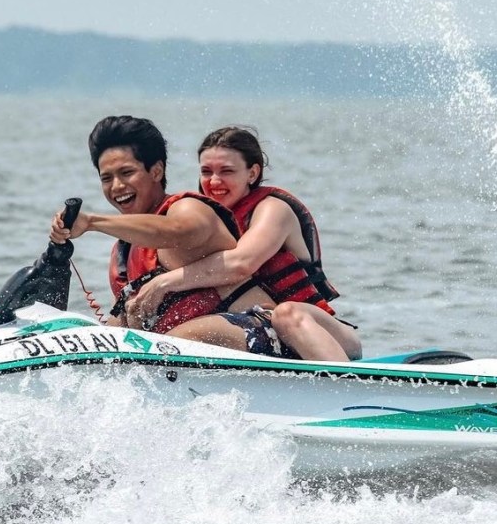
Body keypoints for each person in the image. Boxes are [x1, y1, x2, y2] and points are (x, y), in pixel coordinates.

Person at [127, 126, 362, 361]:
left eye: (226, 171)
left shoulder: (273, 209)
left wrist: (164, 283)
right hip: (267, 333)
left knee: (285, 312)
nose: (214, 181)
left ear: (252, 173)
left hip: (321, 332)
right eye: (206, 171)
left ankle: (350, 390)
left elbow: (241, 263)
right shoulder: (213, 221)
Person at [49, 115, 241, 331]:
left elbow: (175, 232)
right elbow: (120, 324)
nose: (117, 186)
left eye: (127, 173)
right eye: (107, 178)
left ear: (156, 171)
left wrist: (92, 222)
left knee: (182, 336)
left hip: (257, 333)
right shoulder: (124, 249)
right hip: (174, 353)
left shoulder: (187, 208)